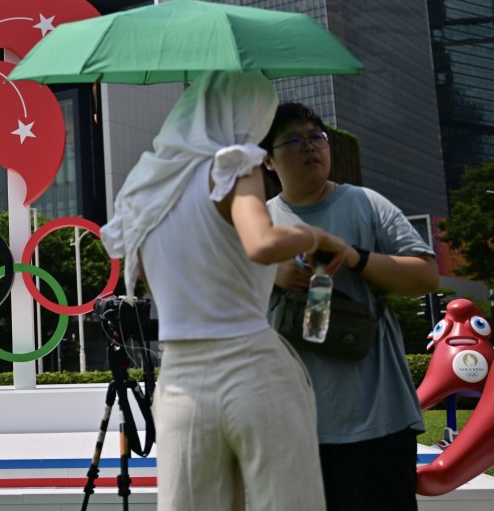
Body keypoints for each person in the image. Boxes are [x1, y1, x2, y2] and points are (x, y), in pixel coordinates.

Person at [102, 70, 348, 511]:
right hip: (253, 367)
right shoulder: (235, 163)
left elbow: (180, 275)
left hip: (179, 381)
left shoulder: (143, 190)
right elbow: (263, 244)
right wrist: (317, 237)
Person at [261, 102, 438, 510]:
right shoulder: (258, 228)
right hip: (291, 431)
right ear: (268, 160)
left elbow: (426, 276)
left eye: (316, 137)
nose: (310, 148)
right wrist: (270, 274)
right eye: (294, 140)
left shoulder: (365, 204)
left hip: (378, 423)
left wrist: (354, 255)